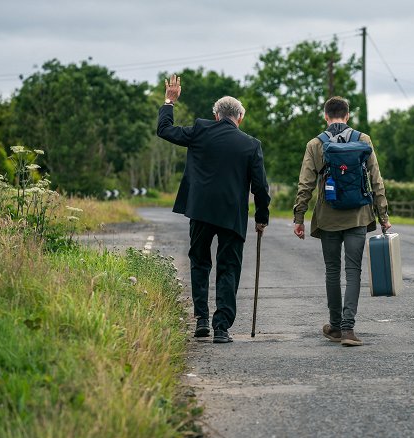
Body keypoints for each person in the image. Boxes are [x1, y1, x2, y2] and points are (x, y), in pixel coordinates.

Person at [157, 74, 270, 344]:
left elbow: (164, 130)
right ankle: (222, 328)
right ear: (239, 118)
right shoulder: (251, 144)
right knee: (229, 268)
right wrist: (261, 218)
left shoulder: (199, 130)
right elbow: (261, 187)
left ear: (216, 115)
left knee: (199, 262)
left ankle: (201, 320)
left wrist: (169, 101)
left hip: (201, 211)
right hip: (232, 215)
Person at [293, 96, 390, 347]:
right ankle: (349, 329)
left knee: (332, 271)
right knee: (353, 271)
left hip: (328, 217)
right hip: (358, 215)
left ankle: (335, 326)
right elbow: (376, 180)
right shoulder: (363, 140)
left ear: (325, 116)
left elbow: (306, 184)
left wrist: (299, 216)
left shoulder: (315, 144)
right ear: (347, 116)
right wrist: (384, 216)